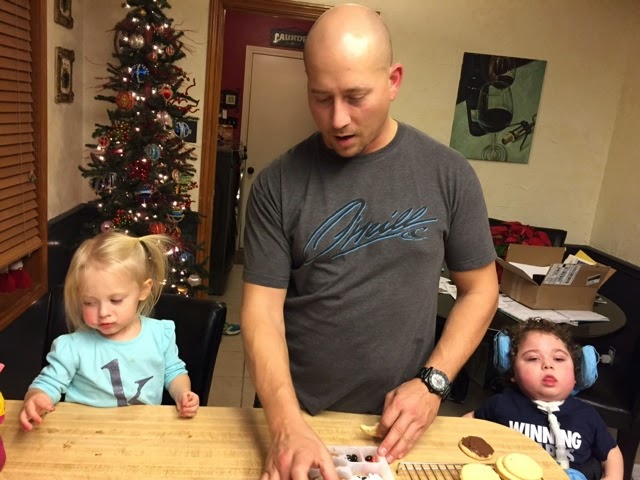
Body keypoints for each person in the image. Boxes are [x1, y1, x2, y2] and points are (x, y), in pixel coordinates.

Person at [241, 4, 499, 479]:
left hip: (400, 427)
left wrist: (433, 383)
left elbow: (481, 290)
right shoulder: (276, 185)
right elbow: (261, 314)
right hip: (297, 415)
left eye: (355, 97)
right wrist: (285, 424)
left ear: (394, 81)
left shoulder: (449, 174)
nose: (338, 119)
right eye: (321, 98)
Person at [19, 232, 199, 431]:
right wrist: (37, 398)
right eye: (89, 302)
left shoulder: (160, 334)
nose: (103, 313)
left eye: (115, 300)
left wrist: (183, 393)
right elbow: (48, 383)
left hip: (143, 431)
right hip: (84, 433)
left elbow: (174, 372)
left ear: (143, 290)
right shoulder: (71, 346)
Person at [464, 319, 623, 480]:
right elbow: (467, 422)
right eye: (533, 358)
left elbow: (611, 452)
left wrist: (612, 476)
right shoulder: (502, 404)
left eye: (559, 359)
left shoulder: (587, 415)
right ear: (512, 371)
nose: (548, 365)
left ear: (577, 373)